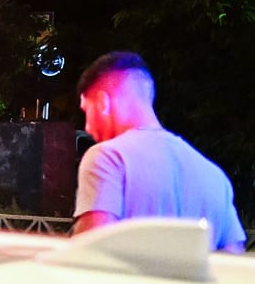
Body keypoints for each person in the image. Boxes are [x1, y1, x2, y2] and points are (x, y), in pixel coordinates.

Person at [71, 51, 244, 251]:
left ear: (102, 103)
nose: (87, 128)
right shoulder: (215, 177)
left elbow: (89, 253)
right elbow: (233, 256)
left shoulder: (108, 158)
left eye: (86, 111)